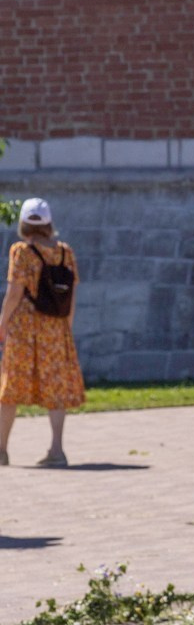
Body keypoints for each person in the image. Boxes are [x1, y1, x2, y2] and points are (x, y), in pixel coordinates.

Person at [0, 198, 83, 469]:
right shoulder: (65, 252)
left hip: (25, 328)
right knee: (55, 387)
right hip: (55, 328)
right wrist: (66, 327)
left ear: (24, 223)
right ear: (49, 223)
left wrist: (2, 323)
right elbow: (71, 295)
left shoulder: (21, 251)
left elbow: (14, 293)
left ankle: (1, 450)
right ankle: (57, 449)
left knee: (10, 387)